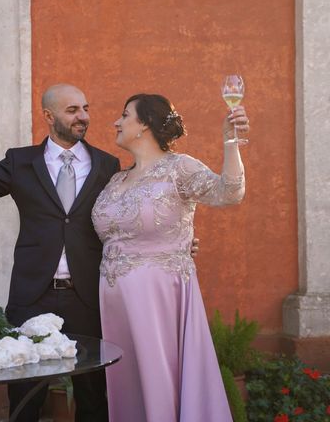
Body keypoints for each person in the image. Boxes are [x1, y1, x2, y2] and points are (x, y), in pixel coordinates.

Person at [0, 83, 118, 421]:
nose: (83, 117)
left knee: (93, 395)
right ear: (48, 116)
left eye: (85, 108)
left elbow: (124, 220)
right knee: (25, 395)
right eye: (73, 110)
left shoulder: (107, 165)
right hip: (33, 295)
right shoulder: (21, 162)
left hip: (88, 297)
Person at [91, 93, 249, 421]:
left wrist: (230, 142)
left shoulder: (179, 168)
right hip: (115, 304)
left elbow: (229, 192)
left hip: (160, 299)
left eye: (124, 115)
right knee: (126, 385)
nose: (115, 122)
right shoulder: (116, 178)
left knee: (159, 378)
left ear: (145, 124)